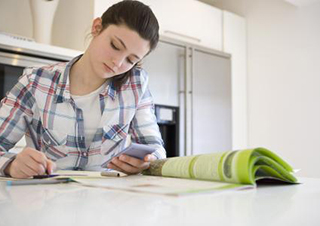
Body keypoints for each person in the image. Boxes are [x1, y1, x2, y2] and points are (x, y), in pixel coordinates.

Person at [0, 0, 166, 179]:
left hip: (109, 198)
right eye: (115, 46)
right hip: (45, 198)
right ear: (97, 28)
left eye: (131, 60)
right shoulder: (36, 82)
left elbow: (155, 149)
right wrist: (12, 165)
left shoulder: (135, 85)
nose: (117, 63)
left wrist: (147, 161)